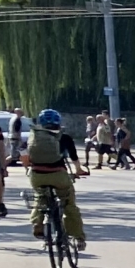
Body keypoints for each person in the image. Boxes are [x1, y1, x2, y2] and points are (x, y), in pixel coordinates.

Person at [22, 108, 88, 253]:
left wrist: (29, 168)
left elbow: (23, 155)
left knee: (40, 197)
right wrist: (78, 170)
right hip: (58, 175)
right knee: (69, 204)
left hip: (37, 175)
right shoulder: (64, 138)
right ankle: (78, 238)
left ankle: (37, 222)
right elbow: (74, 159)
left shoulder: (33, 137)